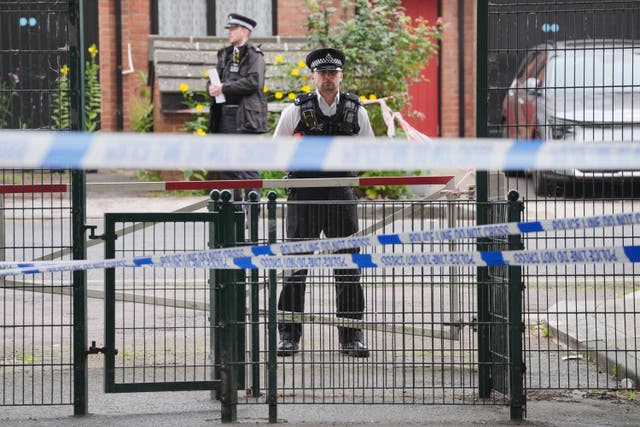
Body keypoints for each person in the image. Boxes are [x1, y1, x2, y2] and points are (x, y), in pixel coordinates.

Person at [273, 48, 375, 358]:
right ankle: (288, 336)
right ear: (313, 77)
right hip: (304, 193)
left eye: (333, 73)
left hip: (341, 192)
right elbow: (277, 152)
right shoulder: (295, 111)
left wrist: (347, 175)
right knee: (295, 264)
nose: (328, 78)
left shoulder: (357, 110)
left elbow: (369, 151)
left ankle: (351, 337)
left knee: (347, 266)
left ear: (340, 76)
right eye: (322, 73)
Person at [208, 13, 268, 203]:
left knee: (247, 166)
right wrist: (211, 87)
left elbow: (253, 82)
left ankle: (253, 210)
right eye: (229, 29)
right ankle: (232, 210)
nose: (229, 32)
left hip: (245, 118)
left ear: (245, 31)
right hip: (224, 117)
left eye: (233, 29)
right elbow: (214, 79)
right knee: (227, 166)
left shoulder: (254, 55)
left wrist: (224, 87)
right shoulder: (224, 54)